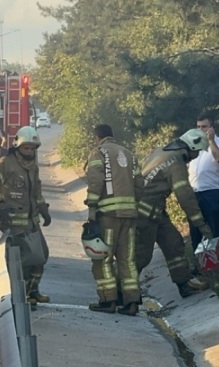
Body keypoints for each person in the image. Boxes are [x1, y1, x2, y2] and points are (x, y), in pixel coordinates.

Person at [135, 128, 214, 298]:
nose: (197, 155)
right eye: (198, 152)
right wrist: (201, 225)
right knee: (141, 254)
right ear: (191, 148)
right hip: (144, 213)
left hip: (155, 211)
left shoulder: (162, 151)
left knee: (173, 242)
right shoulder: (176, 162)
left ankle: (184, 283)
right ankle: (125, 290)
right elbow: (185, 196)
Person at [0, 126, 51, 308]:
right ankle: (23, 294)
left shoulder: (33, 167)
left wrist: (43, 209)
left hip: (31, 220)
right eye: (25, 148)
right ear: (18, 147)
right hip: (13, 220)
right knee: (25, 259)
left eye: (32, 148)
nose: (29, 151)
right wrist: (0, 204)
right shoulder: (5, 163)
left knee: (41, 255)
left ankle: (33, 291)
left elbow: (36, 192)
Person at [83, 124, 142, 315]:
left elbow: (96, 181)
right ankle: (132, 302)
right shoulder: (129, 154)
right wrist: (133, 204)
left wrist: (92, 208)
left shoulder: (98, 153)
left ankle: (108, 300)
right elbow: (140, 184)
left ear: (97, 137)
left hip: (108, 216)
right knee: (128, 260)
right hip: (130, 216)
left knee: (103, 259)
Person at [188, 113, 219, 258]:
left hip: (213, 192)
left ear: (212, 127)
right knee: (195, 231)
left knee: (216, 228)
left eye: (204, 127)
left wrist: (211, 140)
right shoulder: (194, 146)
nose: (201, 130)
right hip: (195, 193)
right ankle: (200, 265)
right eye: (198, 127)